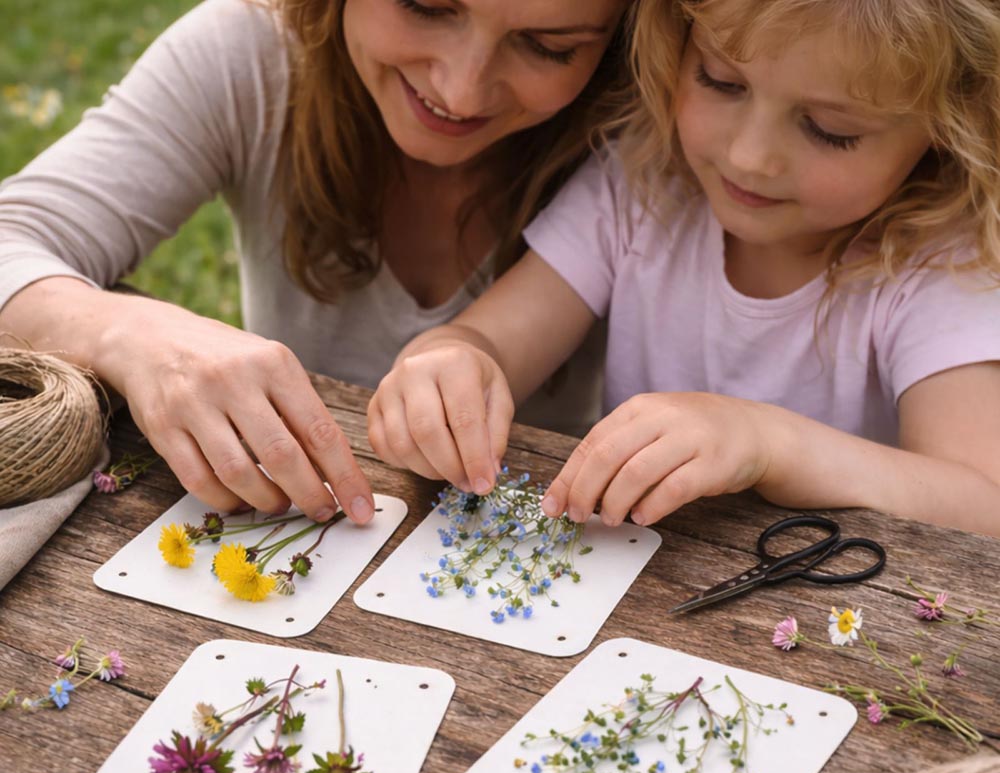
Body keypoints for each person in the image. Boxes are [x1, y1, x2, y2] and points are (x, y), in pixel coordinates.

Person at [368, 0, 1000, 536]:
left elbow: (983, 499)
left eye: (829, 130)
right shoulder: (644, 180)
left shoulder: (946, 264)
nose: (750, 157)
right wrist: (447, 361)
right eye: (722, 82)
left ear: (948, 128)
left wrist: (768, 444)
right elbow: (491, 342)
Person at [0, 0, 631, 523]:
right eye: (426, 6)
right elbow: (15, 235)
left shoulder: (661, 132)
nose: (459, 89)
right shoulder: (252, 51)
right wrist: (130, 333)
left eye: (550, 47)